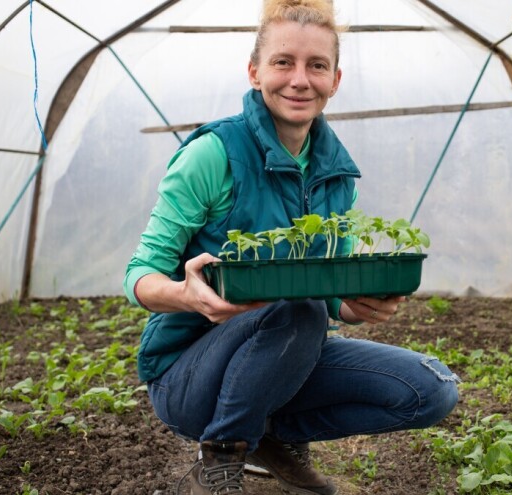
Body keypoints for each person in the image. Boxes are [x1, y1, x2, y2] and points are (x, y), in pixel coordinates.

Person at [124, 1, 459, 493]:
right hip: (188, 377)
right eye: (283, 62)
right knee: (299, 311)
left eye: (316, 65)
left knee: (430, 391)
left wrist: (355, 303)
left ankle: (268, 439)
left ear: (335, 79)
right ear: (255, 72)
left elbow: (328, 294)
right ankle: (217, 458)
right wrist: (187, 294)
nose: (299, 80)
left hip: (282, 359)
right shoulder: (213, 154)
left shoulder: (337, 174)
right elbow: (139, 274)